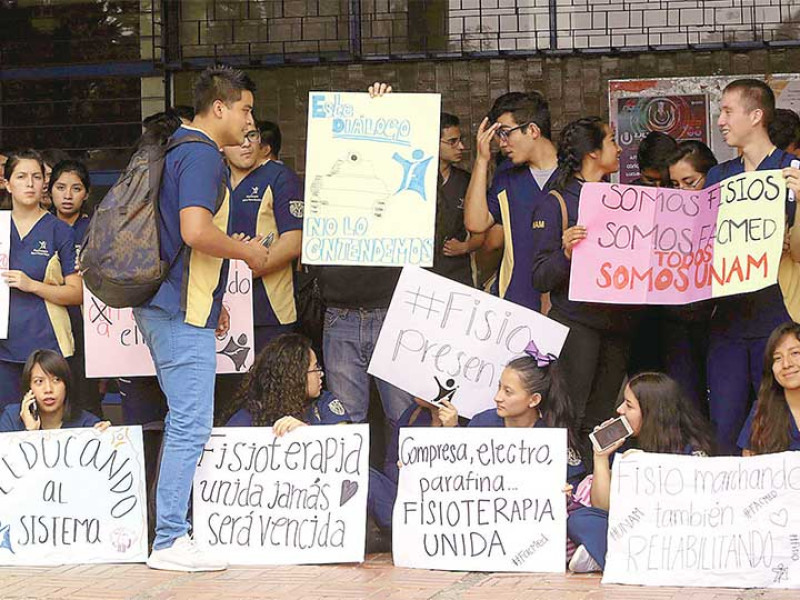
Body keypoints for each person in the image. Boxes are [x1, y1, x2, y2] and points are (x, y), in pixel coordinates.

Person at [133, 66, 269, 572]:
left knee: (184, 421)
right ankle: (170, 538)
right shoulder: (203, 155)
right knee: (191, 424)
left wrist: (214, 295)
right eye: (245, 109)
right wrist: (246, 253)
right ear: (220, 108)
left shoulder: (178, 148)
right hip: (177, 308)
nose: (249, 120)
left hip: (172, 302)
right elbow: (194, 230)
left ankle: (170, 533)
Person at [704, 79, 799, 455]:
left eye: (728, 111)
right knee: (724, 426)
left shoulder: (791, 170)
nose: (721, 120)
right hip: (726, 319)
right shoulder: (718, 177)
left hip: (779, 314)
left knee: (778, 423)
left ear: (756, 115)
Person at [316, 82, 413, 432]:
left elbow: (408, 143)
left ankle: (402, 486)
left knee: (404, 420)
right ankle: (354, 489)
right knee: (346, 423)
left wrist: (385, 110)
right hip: (341, 314)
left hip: (392, 311)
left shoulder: (395, 183)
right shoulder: (324, 181)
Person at [531, 117, 630, 438]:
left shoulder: (625, 200)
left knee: (602, 418)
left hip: (619, 327)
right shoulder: (556, 202)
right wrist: (566, 254)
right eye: (612, 140)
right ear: (592, 153)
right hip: (577, 325)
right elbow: (540, 277)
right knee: (568, 417)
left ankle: (594, 481)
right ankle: (568, 480)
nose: (618, 148)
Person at [567, 372, 714, 572]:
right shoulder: (622, 443)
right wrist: (600, 457)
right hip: (630, 529)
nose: (619, 410)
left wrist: (647, 464)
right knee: (581, 519)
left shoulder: (690, 449)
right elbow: (602, 508)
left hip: (671, 533)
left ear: (652, 412)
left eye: (628, 405)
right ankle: (610, 556)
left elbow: (698, 509)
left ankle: (605, 556)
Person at [0, 150, 82, 407]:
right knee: (8, 423)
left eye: (36, 176)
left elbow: (76, 292)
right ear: (7, 183)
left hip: (47, 345)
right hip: (4, 348)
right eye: (21, 176)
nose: (30, 183)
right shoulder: (1, 226)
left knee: (49, 424)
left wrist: (32, 285)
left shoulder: (60, 230)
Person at [464, 91, 558, 311]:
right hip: (516, 301)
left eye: (506, 133)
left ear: (533, 130)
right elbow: (475, 223)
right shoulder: (507, 176)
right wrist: (482, 160)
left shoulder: (572, 174)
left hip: (565, 306)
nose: (502, 143)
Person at [224, 121, 303, 352]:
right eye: (238, 137)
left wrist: (245, 272)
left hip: (270, 312)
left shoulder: (280, 176)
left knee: (271, 386)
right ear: (221, 145)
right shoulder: (214, 179)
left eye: (252, 135)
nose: (246, 144)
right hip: (221, 309)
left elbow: (294, 242)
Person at [656, 141, 720, 414]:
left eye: (690, 182)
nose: (681, 192)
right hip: (678, 323)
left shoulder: (733, 214)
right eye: (675, 185)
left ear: (711, 177)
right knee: (686, 403)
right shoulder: (662, 218)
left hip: (720, 322)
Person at [48, 159, 103, 417]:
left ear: (87, 193)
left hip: (89, 323)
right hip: (50, 320)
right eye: (60, 187)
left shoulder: (97, 228)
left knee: (86, 397)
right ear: (49, 191)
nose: (67, 195)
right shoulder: (42, 228)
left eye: (76, 188)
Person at [224, 333, 350, 430]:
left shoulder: (325, 402)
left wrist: (307, 435)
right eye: (315, 368)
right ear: (295, 376)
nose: (320, 374)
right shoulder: (253, 412)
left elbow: (345, 444)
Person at [432, 112, 484, 286]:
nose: (461, 146)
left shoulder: (466, 181)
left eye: (460, 140)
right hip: (421, 275)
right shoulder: (414, 182)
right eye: (452, 141)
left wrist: (465, 247)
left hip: (457, 275)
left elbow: (482, 233)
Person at [0, 349, 109, 432]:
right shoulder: (11, 418)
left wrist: (108, 437)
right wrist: (30, 433)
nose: (48, 389)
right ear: (29, 388)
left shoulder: (87, 424)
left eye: (56, 380)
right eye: (39, 381)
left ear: (66, 385)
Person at [738, 322, 800, 454]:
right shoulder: (761, 411)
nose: (786, 364)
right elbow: (749, 467)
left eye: (795, 353)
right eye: (777, 358)